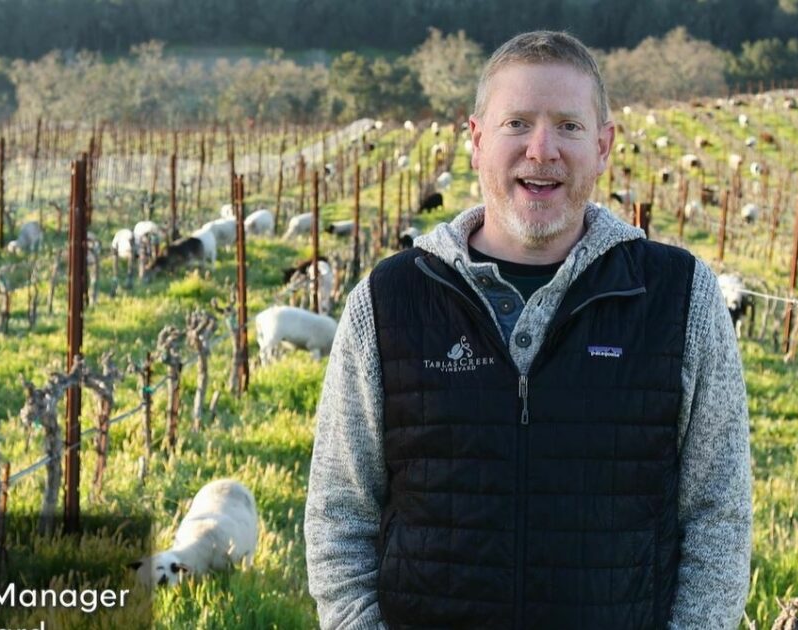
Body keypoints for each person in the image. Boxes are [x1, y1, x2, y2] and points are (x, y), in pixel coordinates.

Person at [304, 30, 751, 629]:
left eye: (568, 125)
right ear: (476, 139)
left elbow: (718, 518)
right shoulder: (388, 301)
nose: (542, 151)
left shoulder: (682, 296)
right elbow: (340, 515)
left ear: (604, 145)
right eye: (517, 122)